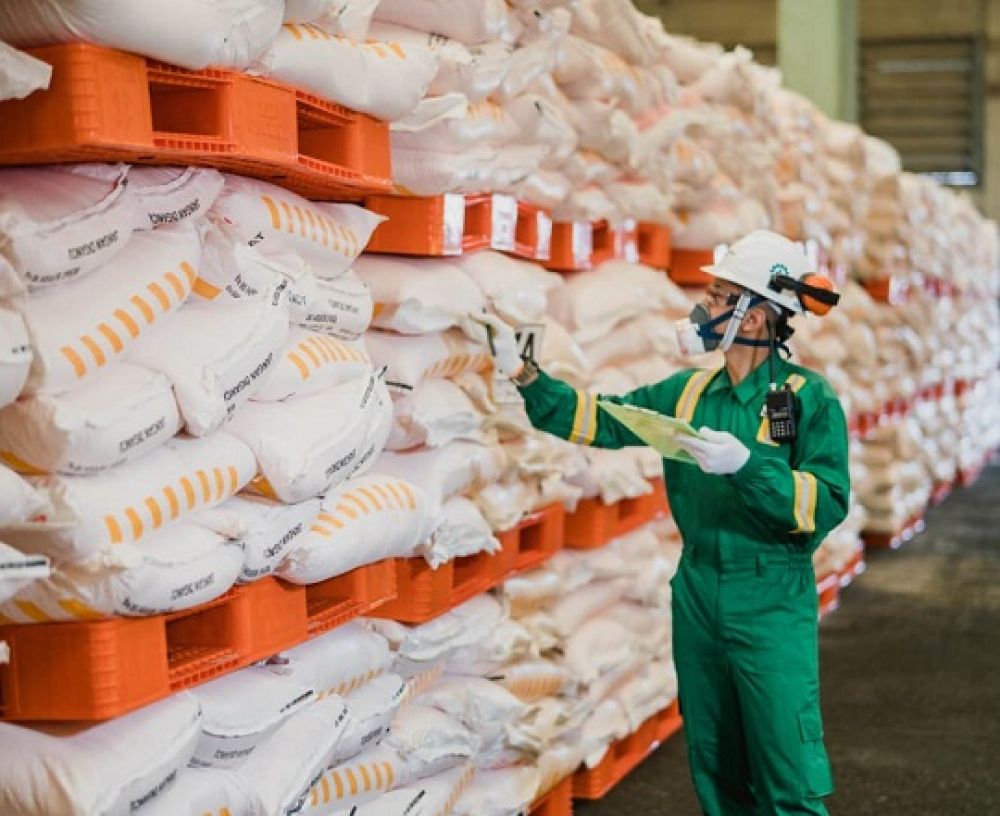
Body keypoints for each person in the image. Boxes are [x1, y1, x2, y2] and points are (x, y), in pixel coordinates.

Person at [474, 230, 850, 816]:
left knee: (785, 762)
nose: (704, 308)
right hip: (698, 589)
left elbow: (824, 503)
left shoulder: (808, 399)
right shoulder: (688, 393)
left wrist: (750, 467)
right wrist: (526, 377)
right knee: (715, 756)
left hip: (770, 593)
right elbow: (604, 420)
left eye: (721, 296)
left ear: (757, 317)